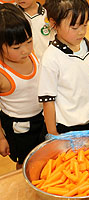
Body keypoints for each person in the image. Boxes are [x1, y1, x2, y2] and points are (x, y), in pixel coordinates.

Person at [38, 0, 89, 135]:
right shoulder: (51, 58)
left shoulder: (87, 46)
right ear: (53, 23)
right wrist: (52, 132)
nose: (81, 32)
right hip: (66, 126)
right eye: (74, 27)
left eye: (84, 25)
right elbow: (47, 100)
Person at [0, 3, 45, 169]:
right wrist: (1, 138)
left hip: (41, 116)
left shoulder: (30, 55)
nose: (25, 50)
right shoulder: (2, 74)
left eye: (29, 41)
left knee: (43, 154)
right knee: (25, 161)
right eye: (16, 47)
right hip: (19, 127)